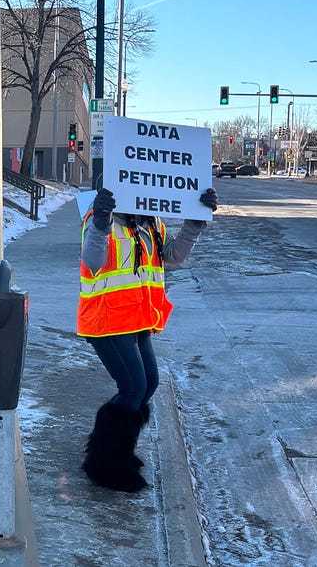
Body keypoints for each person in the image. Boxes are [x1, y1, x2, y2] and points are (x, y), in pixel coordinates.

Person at [77, 186, 217, 493]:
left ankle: (111, 448)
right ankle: (106, 465)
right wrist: (100, 221)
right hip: (107, 320)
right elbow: (93, 260)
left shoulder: (151, 222)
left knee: (148, 384)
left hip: (137, 320)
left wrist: (194, 223)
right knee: (133, 388)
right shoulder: (103, 219)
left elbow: (174, 257)